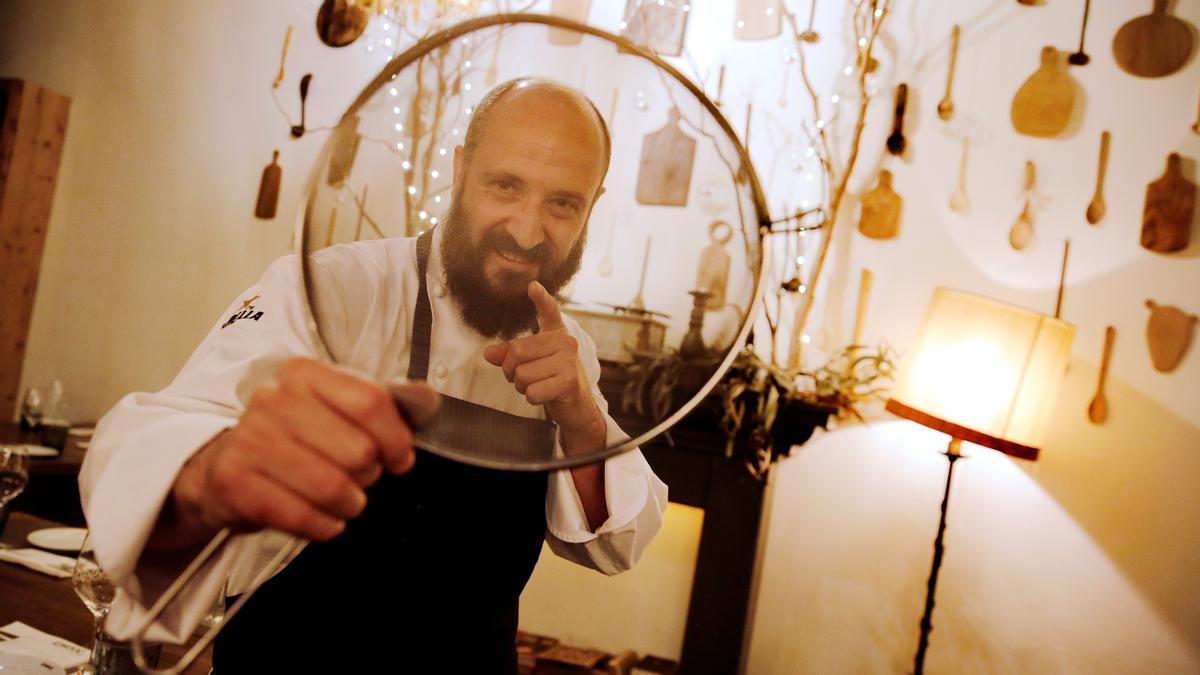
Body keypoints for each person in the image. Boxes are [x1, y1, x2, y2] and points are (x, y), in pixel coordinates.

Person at [79, 77, 668, 672]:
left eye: (563, 202)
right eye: (505, 185)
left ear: (591, 206)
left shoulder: (569, 352)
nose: (526, 229)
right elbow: (154, 436)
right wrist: (210, 473)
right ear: (461, 171)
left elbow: (615, 547)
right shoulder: (333, 289)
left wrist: (583, 423)